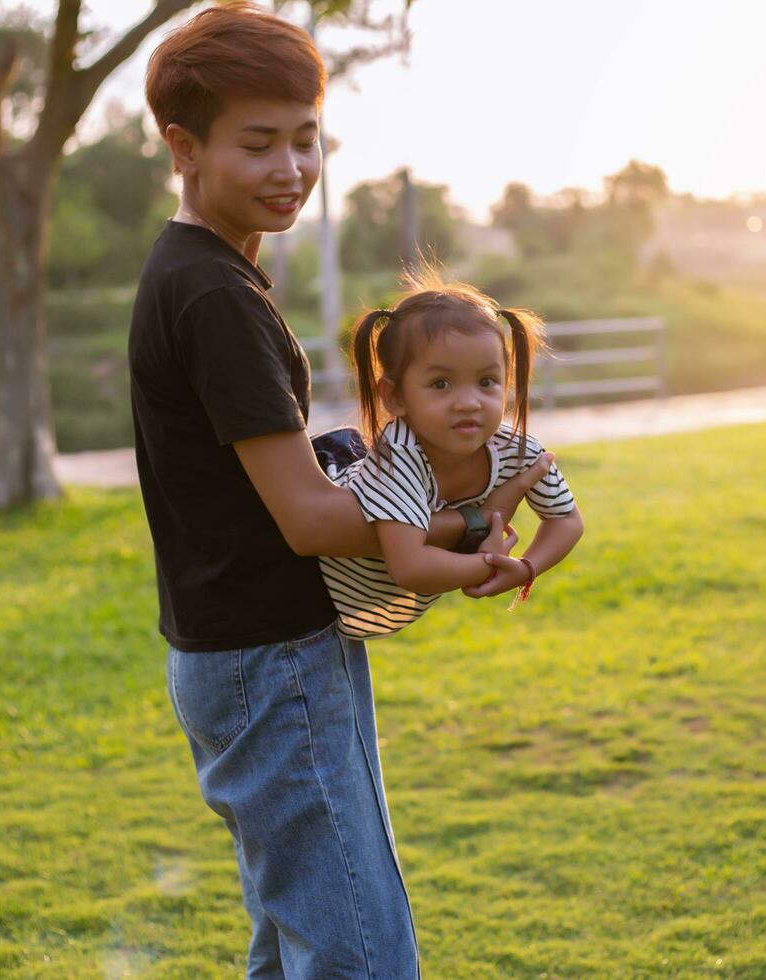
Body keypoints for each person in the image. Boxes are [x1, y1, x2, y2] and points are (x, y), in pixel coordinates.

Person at [129, 6, 550, 977]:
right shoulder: (216, 296)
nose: (291, 168)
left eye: (306, 138)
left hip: (244, 650)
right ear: (182, 145)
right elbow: (314, 520)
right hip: (269, 657)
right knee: (359, 950)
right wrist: (475, 516)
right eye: (259, 143)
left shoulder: (203, 270)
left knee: (298, 939)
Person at [317, 273, 585, 638]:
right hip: (303, 585)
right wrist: (489, 564)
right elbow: (410, 567)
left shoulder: (516, 450)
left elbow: (566, 520)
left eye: (487, 381)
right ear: (395, 396)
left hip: (347, 619)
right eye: (441, 384)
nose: (469, 402)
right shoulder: (400, 453)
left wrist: (525, 568)